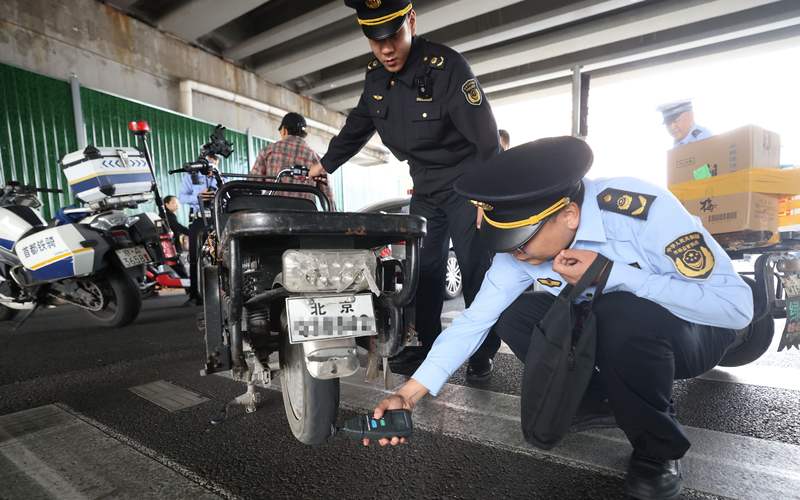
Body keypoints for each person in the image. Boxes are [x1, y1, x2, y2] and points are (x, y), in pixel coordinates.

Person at [365, 137, 754, 500]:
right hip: (623, 338)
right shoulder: (519, 251)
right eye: (505, 242)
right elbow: (472, 324)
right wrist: (407, 395)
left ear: (568, 215)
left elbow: (735, 308)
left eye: (521, 241)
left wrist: (613, 275)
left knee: (619, 307)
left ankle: (657, 449)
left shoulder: (639, 211)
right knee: (514, 315)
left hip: (697, 331)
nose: (514, 254)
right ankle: (604, 399)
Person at [307, 0, 501, 381]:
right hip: (426, 188)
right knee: (425, 271)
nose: (386, 49)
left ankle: (482, 352)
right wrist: (324, 164)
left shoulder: (448, 68)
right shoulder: (376, 77)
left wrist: (487, 193)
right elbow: (357, 127)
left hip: (466, 184)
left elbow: (487, 139)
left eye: (393, 35)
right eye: (374, 39)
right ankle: (429, 347)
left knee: (474, 268)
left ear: (411, 21)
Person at [251, 112, 336, 210]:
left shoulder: (268, 151)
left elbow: (253, 184)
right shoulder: (316, 159)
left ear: (284, 130)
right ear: (303, 134)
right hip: (305, 214)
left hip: (272, 213)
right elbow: (327, 196)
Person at [178, 155, 219, 304]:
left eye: (214, 159)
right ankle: (195, 295)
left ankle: (220, 292)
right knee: (195, 257)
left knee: (218, 255)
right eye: (209, 158)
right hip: (198, 219)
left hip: (216, 219)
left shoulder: (221, 177)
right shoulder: (191, 176)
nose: (211, 162)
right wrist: (198, 196)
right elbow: (181, 197)